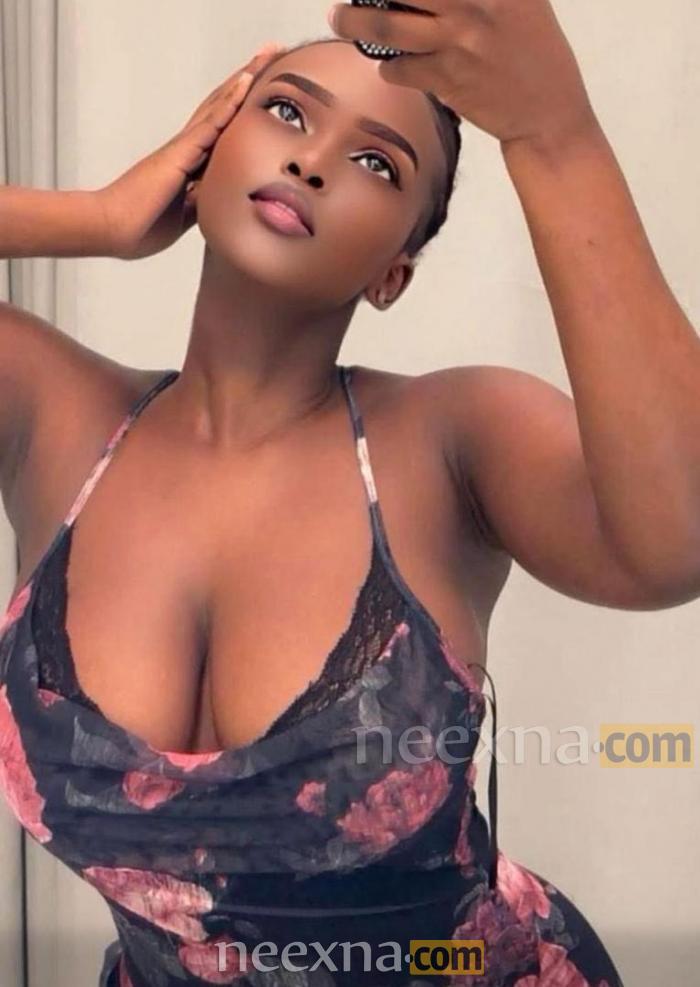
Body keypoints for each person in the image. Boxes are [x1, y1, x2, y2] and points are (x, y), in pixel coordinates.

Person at [1, 8, 699, 985]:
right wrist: (100, 219)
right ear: (206, 150)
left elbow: (675, 538)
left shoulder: (448, 440)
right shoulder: (51, 413)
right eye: (288, 111)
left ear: (392, 274)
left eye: (377, 162)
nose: (314, 161)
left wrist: (556, 134)